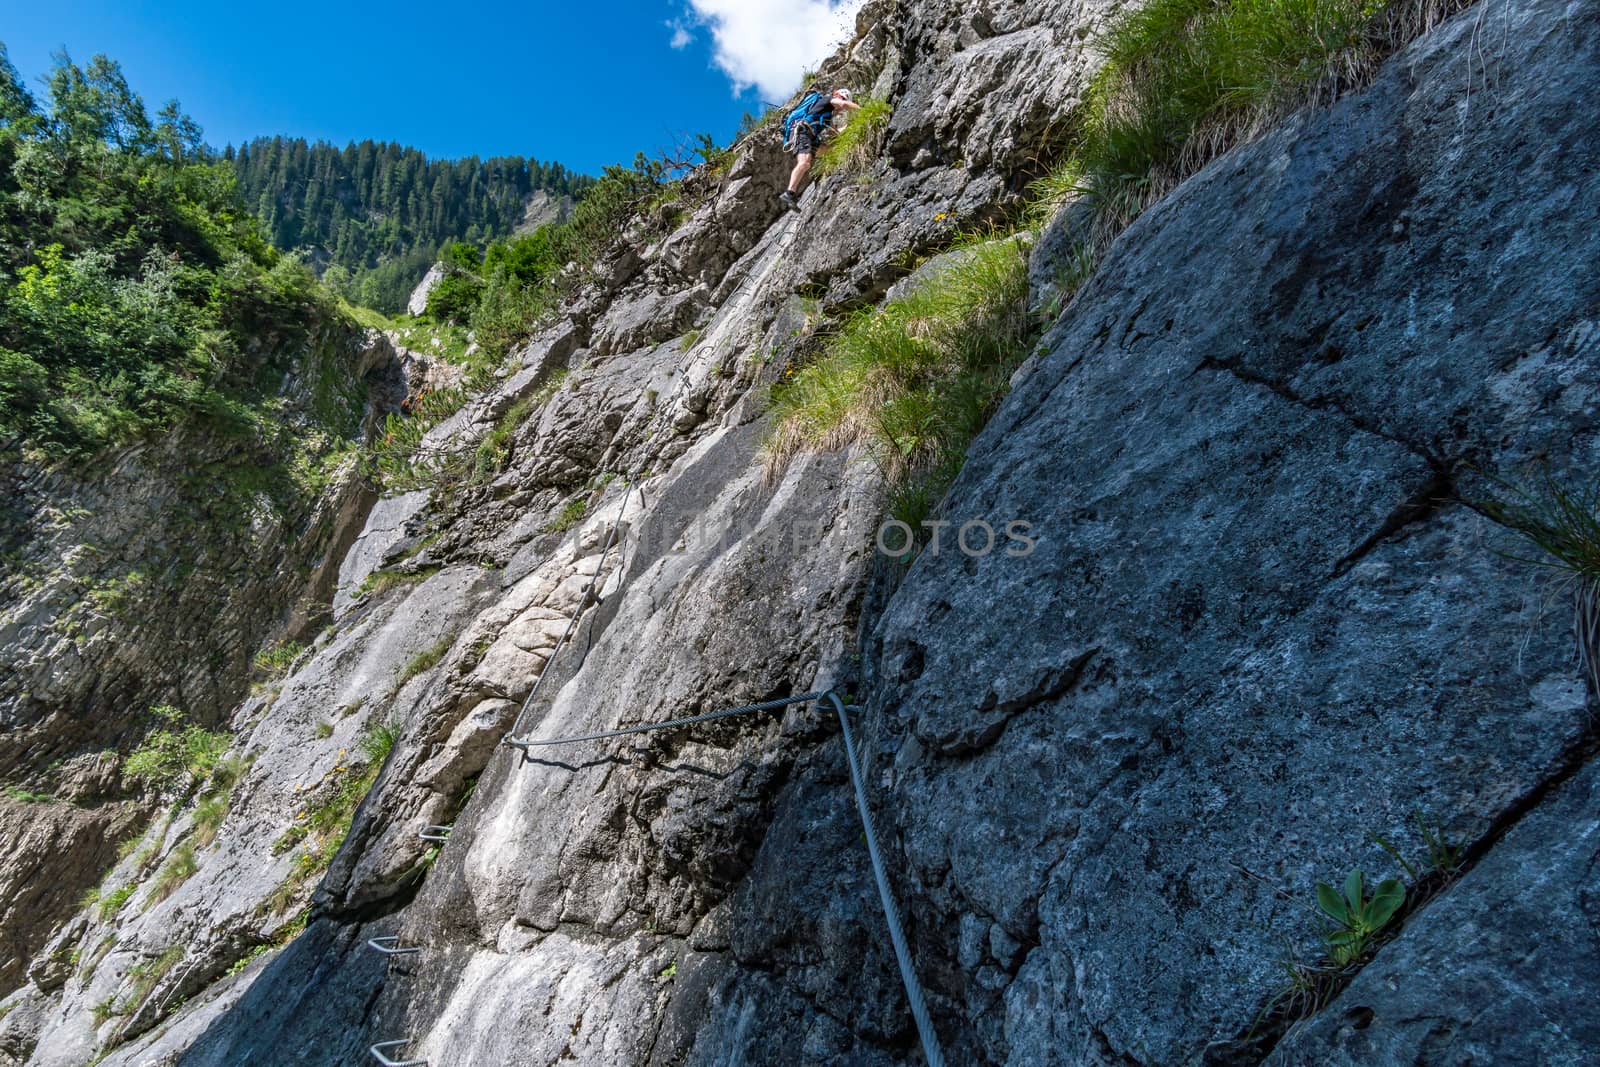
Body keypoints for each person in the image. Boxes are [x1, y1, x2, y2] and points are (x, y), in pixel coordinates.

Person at [779, 88, 861, 210]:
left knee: (831, 150)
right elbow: (843, 104)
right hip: (803, 132)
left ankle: (837, 167)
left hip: (810, 137)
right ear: (837, 95)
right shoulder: (827, 100)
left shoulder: (827, 115)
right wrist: (862, 110)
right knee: (805, 163)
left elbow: (835, 134)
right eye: (842, 98)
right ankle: (789, 193)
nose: (841, 106)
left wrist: (849, 128)